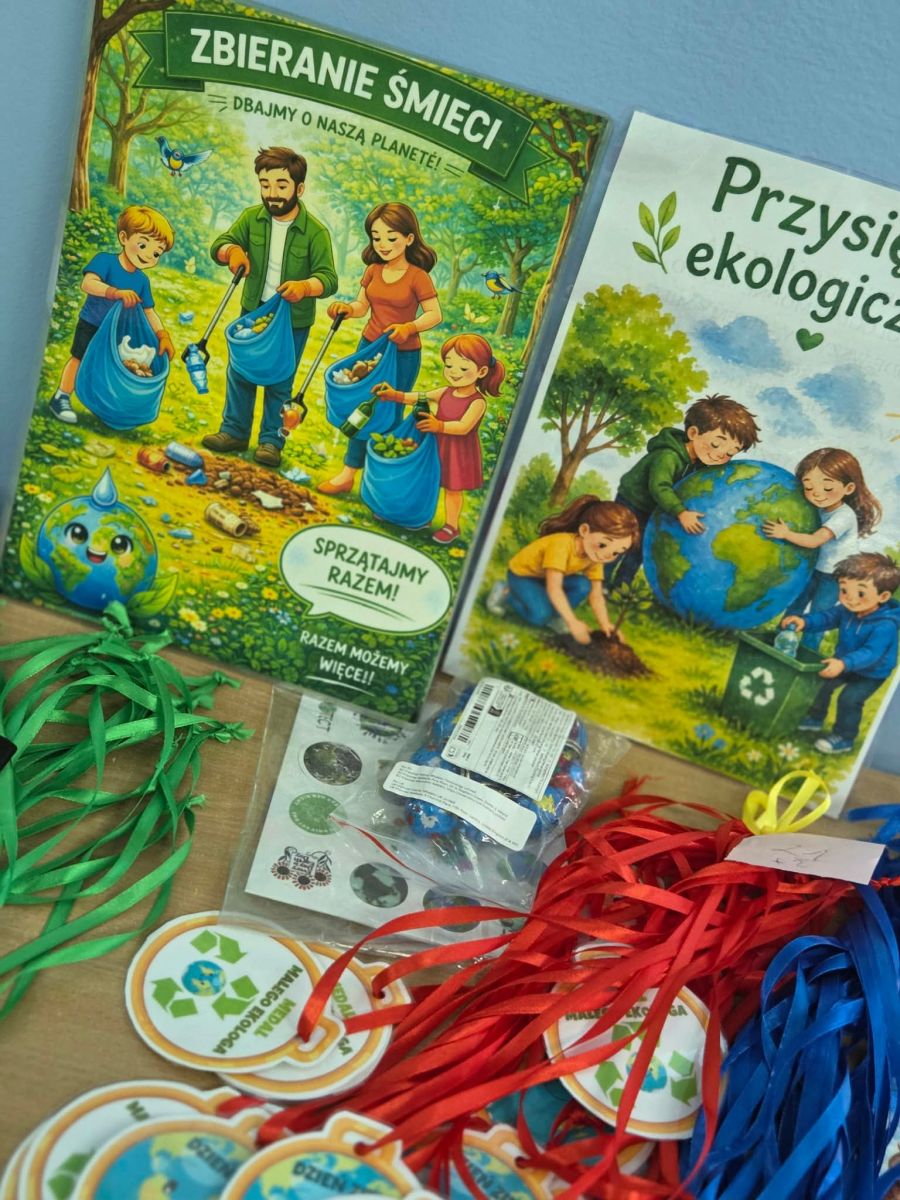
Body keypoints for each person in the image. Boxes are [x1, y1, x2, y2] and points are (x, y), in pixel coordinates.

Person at [202, 146, 337, 468]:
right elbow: (220, 245)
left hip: (292, 320)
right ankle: (233, 432)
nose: (272, 193)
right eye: (265, 184)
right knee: (240, 371)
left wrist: (305, 287)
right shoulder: (251, 218)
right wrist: (232, 252)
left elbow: (329, 279)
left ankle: (271, 442)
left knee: (280, 379)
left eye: (281, 185)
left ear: (299, 189)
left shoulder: (315, 231)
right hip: (252, 311)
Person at [319, 202, 442, 495]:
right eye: (376, 237)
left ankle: (376, 483)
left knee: (388, 413)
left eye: (391, 237)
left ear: (409, 238)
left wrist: (408, 328)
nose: (383, 244)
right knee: (361, 407)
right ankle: (348, 474)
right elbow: (362, 305)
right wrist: (347, 309)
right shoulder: (373, 270)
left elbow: (434, 315)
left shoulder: (418, 276)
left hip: (402, 355)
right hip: (369, 348)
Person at [608, 394, 761, 591]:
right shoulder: (668, 456)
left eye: (730, 453)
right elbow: (659, 487)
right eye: (716, 444)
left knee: (639, 550)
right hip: (632, 502)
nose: (720, 454)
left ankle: (620, 588)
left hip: (655, 508)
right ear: (693, 433)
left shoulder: (700, 463)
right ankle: (600, 582)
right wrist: (680, 512)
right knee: (618, 542)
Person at [48, 205, 175, 425]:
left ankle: (103, 404)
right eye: (143, 245)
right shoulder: (106, 261)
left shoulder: (142, 281)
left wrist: (163, 335)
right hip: (93, 323)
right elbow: (88, 283)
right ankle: (61, 396)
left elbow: (149, 311)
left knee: (109, 367)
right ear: (124, 238)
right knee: (79, 358)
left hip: (117, 333)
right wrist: (114, 292)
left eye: (156, 253)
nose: (148, 255)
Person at [374, 333, 502, 544]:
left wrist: (439, 425)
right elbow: (420, 397)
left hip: (458, 451)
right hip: (435, 445)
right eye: (449, 365)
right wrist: (395, 395)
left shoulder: (477, 402)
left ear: (482, 372)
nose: (454, 372)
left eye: (463, 368)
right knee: (425, 480)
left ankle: (451, 526)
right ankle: (418, 515)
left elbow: (464, 427)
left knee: (452, 489)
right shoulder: (445, 392)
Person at [782, 552, 900, 753]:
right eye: (844, 590)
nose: (850, 599)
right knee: (822, 684)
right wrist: (804, 621)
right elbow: (827, 618)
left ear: (883, 597)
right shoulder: (846, 610)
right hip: (844, 663)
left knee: (849, 699)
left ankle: (845, 737)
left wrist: (843, 663)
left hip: (871, 673)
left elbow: (871, 653)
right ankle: (814, 718)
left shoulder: (885, 625)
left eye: (860, 593)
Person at [764, 447, 881, 649]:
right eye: (809, 487)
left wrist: (785, 534)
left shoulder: (844, 516)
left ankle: (809, 651)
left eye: (827, 488)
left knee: (819, 614)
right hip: (815, 568)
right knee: (796, 604)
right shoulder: (819, 508)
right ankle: (778, 641)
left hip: (834, 575)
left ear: (849, 488)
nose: (817, 494)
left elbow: (815, 540)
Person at [486, 496, 640, 644]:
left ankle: (556, 617)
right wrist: (573, 622)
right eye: (603, 545)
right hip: (523, 576)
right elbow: (554, 588)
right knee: (540, 616)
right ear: (584, 530)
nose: (607, 555)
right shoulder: (561, 546)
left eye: (616, 553)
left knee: (583, 585)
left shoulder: (595, 557)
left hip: (545, 578)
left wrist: (605, 624)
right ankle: (507, 593)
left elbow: (596, 594)